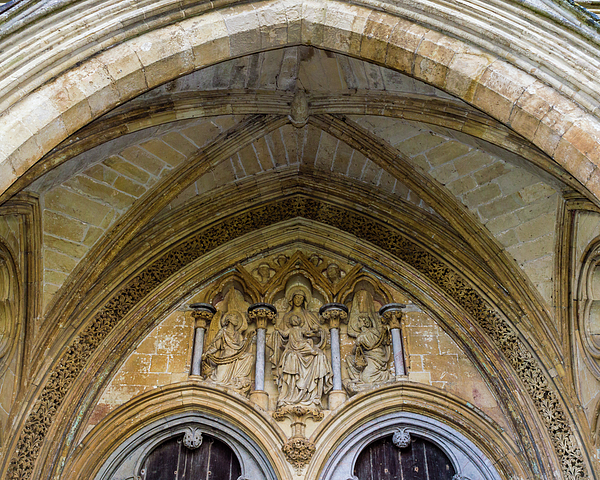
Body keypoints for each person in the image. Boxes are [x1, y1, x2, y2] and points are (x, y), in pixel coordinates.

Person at [270, 290, 332, 409]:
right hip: (292, 349)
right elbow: (283, 335)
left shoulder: (309, 315)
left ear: (304, 300)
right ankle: (289, 395)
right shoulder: (287, 317)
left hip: (304, 347)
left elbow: (319, 332)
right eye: (296, 297)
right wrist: (277, 332)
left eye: (301, 298)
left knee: (320, 356)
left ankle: (313, 396)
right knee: (291, 357)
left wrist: (316, 332)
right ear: (291, 299)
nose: (298, 300)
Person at [202, 312, 254, 395]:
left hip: (236, 355)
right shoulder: (223, 331)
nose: (237, 321)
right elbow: (216, 346)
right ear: (229, 320)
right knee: (219, 378)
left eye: (237, 319)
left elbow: (241, 346)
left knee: (249, 356)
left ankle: (238, 379)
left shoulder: (237, 334)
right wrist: (207, 353)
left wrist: (248, 339)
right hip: (226, 356)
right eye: (235, 318)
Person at [346, 314, 391, 385]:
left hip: (374, 356)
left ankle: (386, 376)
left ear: (364, 323)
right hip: (367, 356)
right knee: (349, 359)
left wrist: (360, 341)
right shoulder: (364, 334)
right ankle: (357, 378)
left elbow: (374, 344)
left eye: (359, 321)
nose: (358, 323)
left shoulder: (369, 333)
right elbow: (355, 351)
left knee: (367, 378)